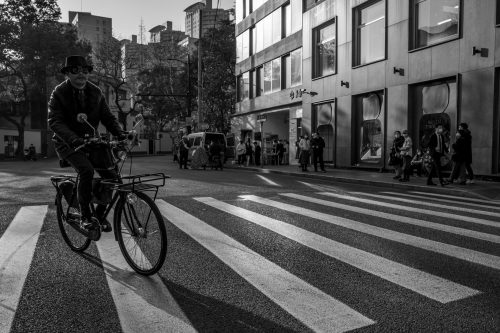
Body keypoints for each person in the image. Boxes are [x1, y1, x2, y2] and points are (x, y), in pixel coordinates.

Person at [48, 55, 127, 232]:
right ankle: (85, 217)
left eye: (85, 70)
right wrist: (72, 138)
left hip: (92, 141)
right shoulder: (59, 93)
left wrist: (121, 134)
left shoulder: (96, 92)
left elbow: (107, 117)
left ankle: (98, 215)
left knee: (112, 176)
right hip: (67, 143)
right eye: (75, 71)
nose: (81, 74)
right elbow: (54, 121)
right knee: (86, 170)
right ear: (68, 73)